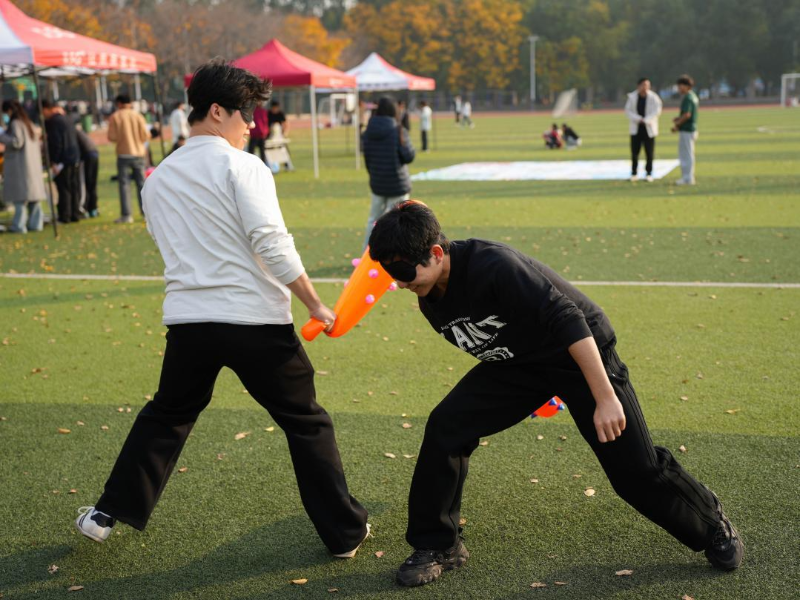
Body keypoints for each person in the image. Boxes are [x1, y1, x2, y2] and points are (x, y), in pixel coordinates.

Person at [73, 58, 370, 559]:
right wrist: (315, 303)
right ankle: (343, 533)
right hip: (255, 322)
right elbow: (271, 243)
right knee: (306, 422)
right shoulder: (243, 166)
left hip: (190, 324)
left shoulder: (158, 179)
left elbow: (169, 246)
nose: (252, 124)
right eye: (245, 113)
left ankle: (106, 513)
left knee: (167, 414)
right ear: (216, 111)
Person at [367, 201, 744, 588]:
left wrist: (604, 397)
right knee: (448, 426)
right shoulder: (430, 289)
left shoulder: (493, 266)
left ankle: (710, 522)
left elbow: (568, 319)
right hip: (519, 364)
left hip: (579, 355)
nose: (398, 282)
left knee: (635, 473)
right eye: (389, 272)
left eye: (402, 271)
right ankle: (439, 546)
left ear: (435, 253)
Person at [360, 97, 415, 250]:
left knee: (373, 220)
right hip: (398, 183)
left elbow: (367, 158)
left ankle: (367, 252)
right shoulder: (398, 130)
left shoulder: (368, 132)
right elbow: (408, 156)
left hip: (377, 182)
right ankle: (395, 253)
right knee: (398, 221)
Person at [0, 99, 47, 232]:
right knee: (33, 198)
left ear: (9, 111)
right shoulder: (28, 123)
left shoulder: (15, 123)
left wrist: (2, 136)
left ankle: (19, 226)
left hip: (20, 167)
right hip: (31, 166)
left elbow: (16, 142)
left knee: (20, 199)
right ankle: (36, 224)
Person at [107, 94, 150, 223]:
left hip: (123, 154)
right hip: (138, 153)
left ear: (119, 103)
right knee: (142, 185)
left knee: (124, 185)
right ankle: (145, 213)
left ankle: (127, 215)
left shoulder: (115, 116)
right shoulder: (138, 116)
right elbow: (145, 135)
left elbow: (112, 137)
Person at [41, 100, 82, 224]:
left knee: (63, 188)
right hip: (73, 157)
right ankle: (74, 213)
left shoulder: (54, 122)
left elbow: (56, 142)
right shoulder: (66, 119)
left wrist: (54, 161)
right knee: (73, 188)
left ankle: (65, 215)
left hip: (62, 160)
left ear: (47, 109)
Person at [625, 77, 663, 182]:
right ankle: (634, 173)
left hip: (649, 127)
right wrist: (638, 119)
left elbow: (657, 111)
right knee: (634, 152)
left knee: (649, 152)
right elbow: (628, 111)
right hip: (636, 128)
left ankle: (649, 173)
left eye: (647, 85)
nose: (645, 88)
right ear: (639, 86)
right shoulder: (632, 97)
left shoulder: (653, 97)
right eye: (643, 85)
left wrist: (646, 119)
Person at [671, 74, 699, 185]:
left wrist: (677, 125)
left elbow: (687, 115)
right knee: (688, 154)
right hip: (691, 129)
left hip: (687, 130)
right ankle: (688, 177)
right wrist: (679, 118)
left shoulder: (688, 97)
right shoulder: (693, 96)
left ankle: (687, 178)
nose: (679, 89)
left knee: (686, 155)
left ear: (686, 86)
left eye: (680, 86)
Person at [76, 128, 100, 218]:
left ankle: (84, 208)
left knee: (84, 184)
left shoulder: (73, 131)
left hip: (87, 156)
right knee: (92, 184)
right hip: (94, 154)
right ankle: (93, 208)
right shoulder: (79, 131)